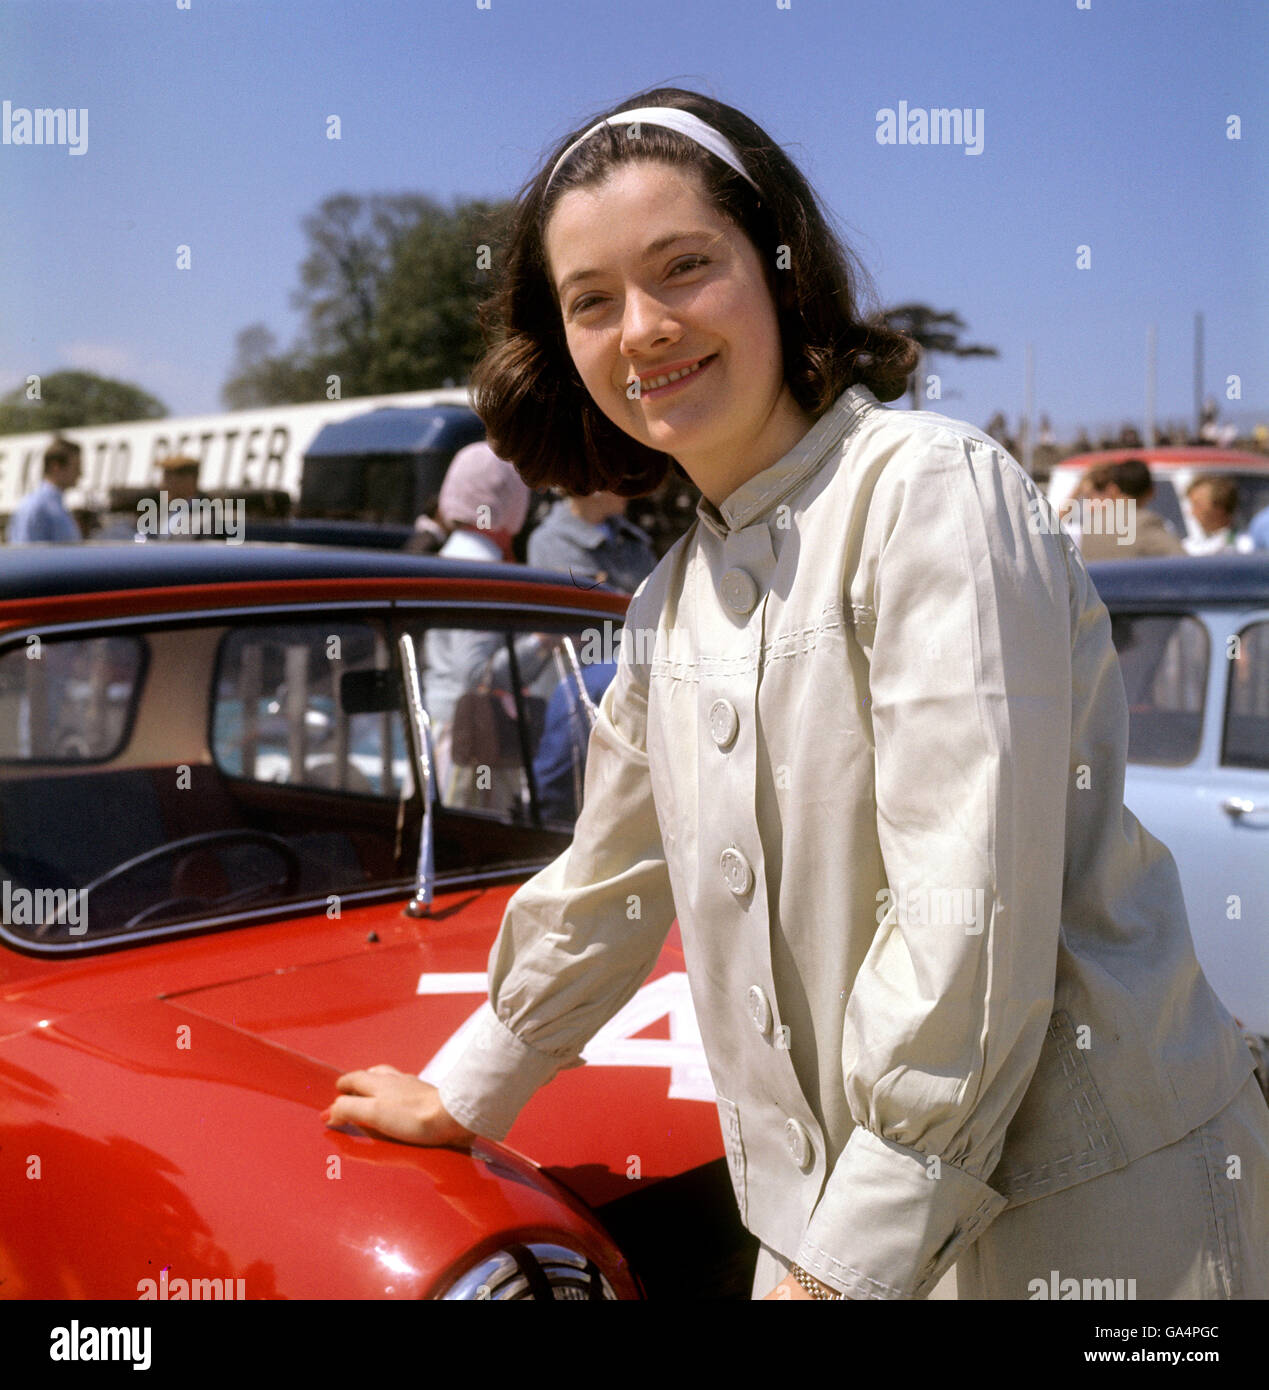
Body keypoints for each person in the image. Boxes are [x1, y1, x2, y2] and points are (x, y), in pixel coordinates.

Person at [328, 88, 1269, 1300]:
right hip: (840, 1242)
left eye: (685, 267)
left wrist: (837, 1263)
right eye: (593, 301)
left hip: (1094, 1234)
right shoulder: (667, 603)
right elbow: (607, 880)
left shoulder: (933, 493)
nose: (645, 328)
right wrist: (468, 1084)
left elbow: (960, 922)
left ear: (781, 272)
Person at [421, 441, 556, 810]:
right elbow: (475, 674)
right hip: (469, 747)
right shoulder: (482, 574)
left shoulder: (451, 558)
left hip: (444, 735)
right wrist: (542, 642)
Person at [527, 488, 657, 592]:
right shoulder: (550, 543)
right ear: (594, 486)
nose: (630, 490)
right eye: (621, 482)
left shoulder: (633, 539)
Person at [1080, 457, 1184, 561]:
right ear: (1151, 492)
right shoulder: (1145, 522)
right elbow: (1182, 560)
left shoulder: (1092, 524)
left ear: (1113, 489)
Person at [7, 436, 83, 543]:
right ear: (55, 467)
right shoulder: (35, 506)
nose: (80, 473)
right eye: (76, 467)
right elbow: (25, 554)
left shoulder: (54, 506)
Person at [1183, 475, 1249, 554]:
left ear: (1219, 508)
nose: (1192, 513)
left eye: (1198, 505)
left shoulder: (1244, 546)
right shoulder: (1188, 546)